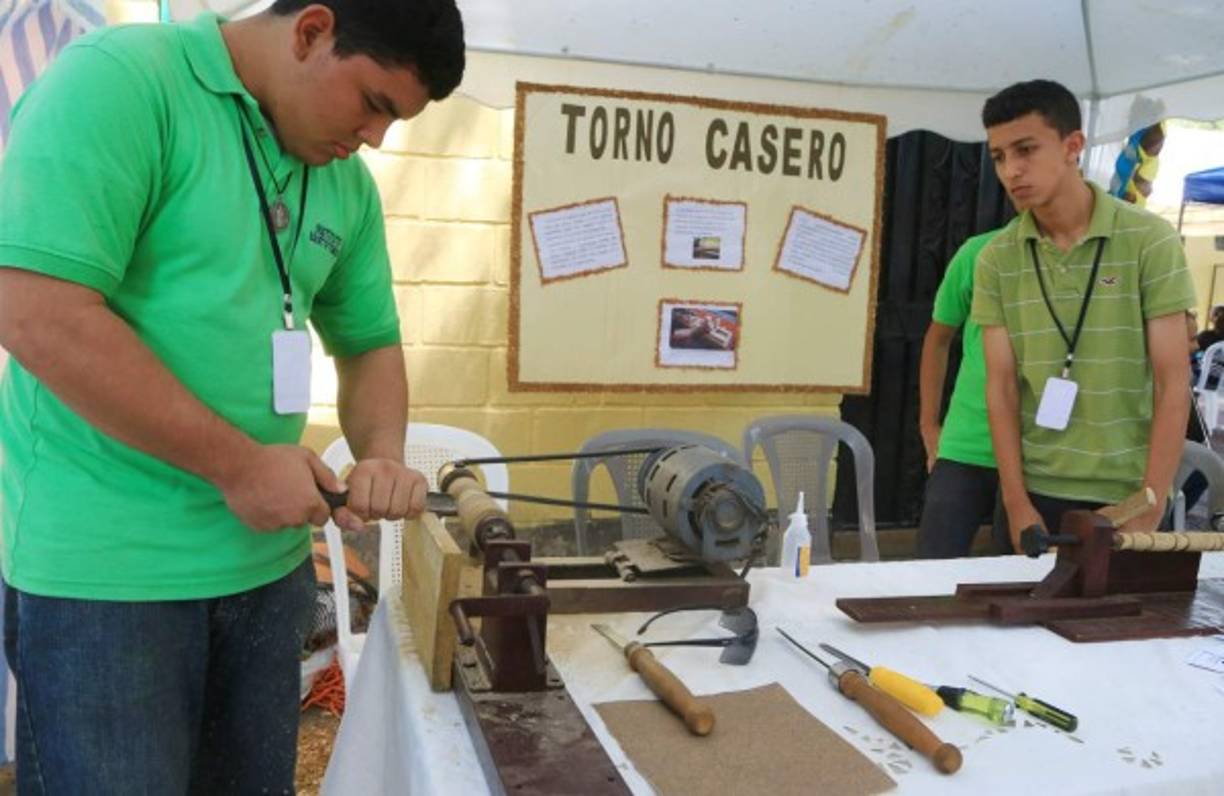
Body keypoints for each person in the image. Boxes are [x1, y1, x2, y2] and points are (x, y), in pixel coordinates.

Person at [0, 0, 463, 791]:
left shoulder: (342, 183)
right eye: (374, 104)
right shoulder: (123, 84)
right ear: (311, 30)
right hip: (107, 583)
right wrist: (239, 465)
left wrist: (383, 455)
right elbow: (35, 309)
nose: (376, 138)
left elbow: (371, 343)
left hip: (264, 574)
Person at [971, 79, 1194, 551]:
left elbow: (1173, 381)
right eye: (999, 156)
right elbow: (1001, 386)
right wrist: (1015, 502)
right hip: (1034, 491)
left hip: (1127, 492)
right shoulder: (996, 258)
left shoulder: (1148, 240)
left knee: (1117, 623)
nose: (1012, 170)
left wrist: (1151, 501)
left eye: (1026, 149)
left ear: (1073, 146)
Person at [916, 229, 1010, 557]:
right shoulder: (979, 251)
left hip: (1039, 453)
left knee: (1016, 579)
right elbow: (938, 338)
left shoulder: (1082, 265)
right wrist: (929, 426)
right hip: (966, 443)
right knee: (933, 566)